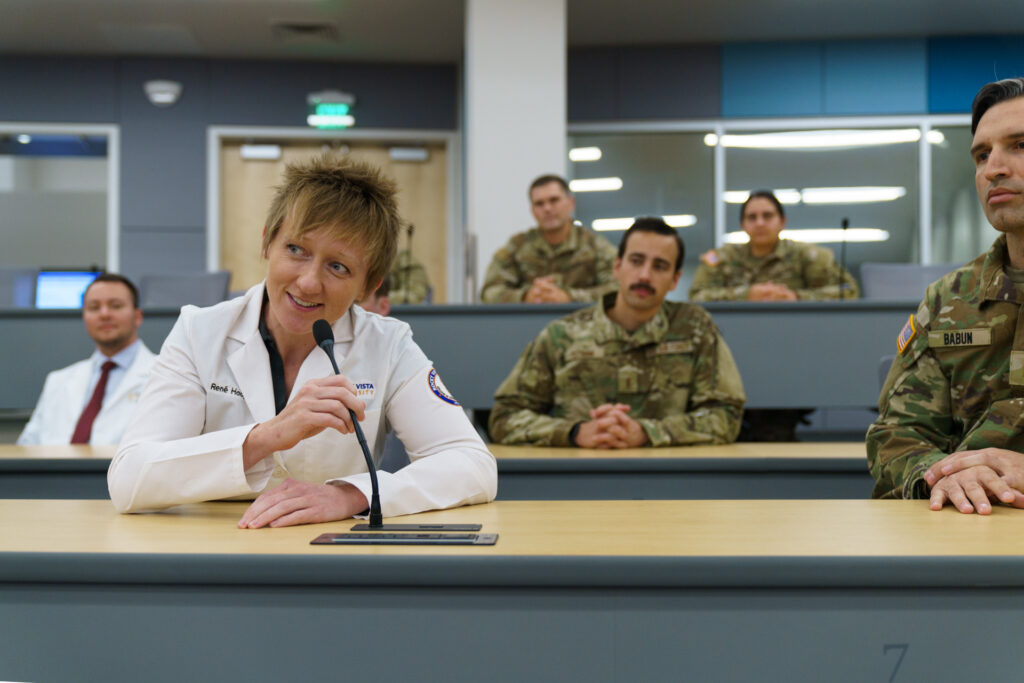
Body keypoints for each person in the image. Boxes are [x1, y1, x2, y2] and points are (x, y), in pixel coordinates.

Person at [108, 155, 497, 526]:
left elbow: (472, 465)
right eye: (296, 250)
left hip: (326, 552)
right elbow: (128, 479)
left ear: (368, 286)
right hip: (211, 548)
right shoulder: (200, 331)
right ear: (266, 243)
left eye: (338, 266)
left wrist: (353, 495)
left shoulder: (387, 344)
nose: (309, 281)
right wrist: (266, 437)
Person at [867, 77, 1024, 515]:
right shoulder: (949, 301)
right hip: (965, 534)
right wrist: (944, 473)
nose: (993, 168)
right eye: (982, 154)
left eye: (1021, 145)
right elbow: (896, 433)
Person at [489, 217, 745, 447]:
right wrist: (576, 432)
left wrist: (648, 432)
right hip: (577, 481)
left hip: (669, 481)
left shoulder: (696, 329)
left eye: (659, 266)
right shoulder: (562, 335)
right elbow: (505, 416)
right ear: (617, 267)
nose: (644, 275)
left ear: (675, 279)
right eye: (636, 261)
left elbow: (725, 416)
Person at [19, 273, 154, 446]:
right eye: (94, 307)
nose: (104, 314)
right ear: (84, 317)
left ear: (137, 316)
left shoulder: (164, 376)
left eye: (116, 306)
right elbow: (27, 447)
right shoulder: (58, 381)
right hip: (56, 473)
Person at [688, 190, 860, 301]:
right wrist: (746, 295)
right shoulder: (723, 258)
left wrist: (796, 297)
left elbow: (849, 291)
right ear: (742, 225)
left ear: (782, 222)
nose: (760, 223)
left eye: (767, 216)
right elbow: (696, 296)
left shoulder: (808, 255)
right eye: (752, 217)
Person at [480, 174, 617, 303]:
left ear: (570, 203)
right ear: (532, 210)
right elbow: (489, 292)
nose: (547, 208)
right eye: (539, 204)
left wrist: (569, 297)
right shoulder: (517, 247)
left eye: (554, 200)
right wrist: (526, 296)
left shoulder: (595, 245)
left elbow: (619, 289)